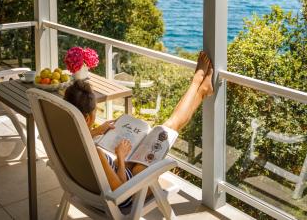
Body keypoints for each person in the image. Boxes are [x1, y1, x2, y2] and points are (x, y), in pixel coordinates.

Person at [64, 51, 214, 206]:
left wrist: (97, 131)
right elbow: (120, 190)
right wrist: (121, 158)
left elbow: (91, 150)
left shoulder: (66, 139)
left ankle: (200, 87)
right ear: (88, 118)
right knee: (169, 127)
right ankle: (199, 86)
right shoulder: (95, 153)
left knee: (147, 143)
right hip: (126, 194)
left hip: (94, 188)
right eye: (95, 111)